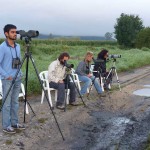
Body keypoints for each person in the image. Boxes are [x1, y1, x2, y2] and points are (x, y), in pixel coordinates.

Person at [0, 24, 25, 134]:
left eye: (16, 32)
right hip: (7, 80)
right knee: (7, 103)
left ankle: (15, 123)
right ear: (6, 33)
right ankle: (6, 125)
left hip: (17, 78)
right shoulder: (2, 47)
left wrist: (20, 72)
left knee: (15, 102)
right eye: (12, 32)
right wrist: (6, 75)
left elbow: (18, 61)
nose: (15, 34)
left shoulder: (18, 46)